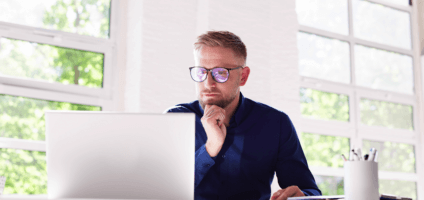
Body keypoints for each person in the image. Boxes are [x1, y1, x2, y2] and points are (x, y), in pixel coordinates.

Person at [165, 31, 321, 200]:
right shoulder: (175, 119)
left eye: (220, 73)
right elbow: (164, 189)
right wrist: (210, 148)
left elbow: (309, 191)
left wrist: (302, 196)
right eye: (201, 72)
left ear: (243, 76)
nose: (208, 83)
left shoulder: (276, 124)